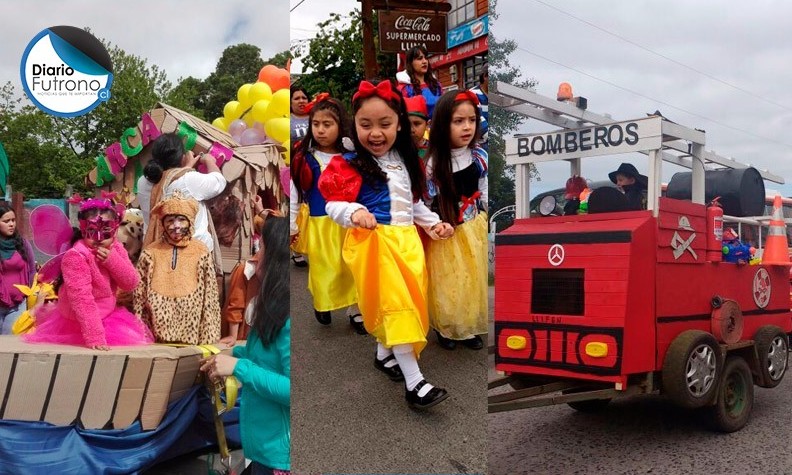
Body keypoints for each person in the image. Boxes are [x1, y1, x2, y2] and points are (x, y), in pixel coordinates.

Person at [318, 79, 455, 409]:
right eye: (366, 125)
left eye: (384, 124)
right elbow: (332, 204)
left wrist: (433, 223)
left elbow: (413, 203)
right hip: (376, 246)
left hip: (407, 245)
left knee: (407, 304)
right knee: (399, 309)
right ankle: (415, 383)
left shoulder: (406, 162)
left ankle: (383, 354)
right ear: (356, 126)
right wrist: (354, 211)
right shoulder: (350, 164)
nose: (375, 133)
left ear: (398, 125)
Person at [200, 215, 290, 475]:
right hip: (262, 449)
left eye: (262, 248)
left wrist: (239, 367)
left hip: (279, 458)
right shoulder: (271, 306)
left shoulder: (288, 318)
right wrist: (230, 353)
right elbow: (263, 357)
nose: (256, 255)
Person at [24, 199, 153, 349]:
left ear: (115, 230)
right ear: (84, 230)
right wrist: (95, 337)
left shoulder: (116, 249)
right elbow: (82, 300)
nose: (98, 239)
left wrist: (112, 261)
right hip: (79, 321)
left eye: (105, 233)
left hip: (108, 314)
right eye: (92, 232)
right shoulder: (76, 256)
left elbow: (131, 282)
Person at [290, 93, 362, 332]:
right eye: (316, 124)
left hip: (350, 224)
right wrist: (291, 225)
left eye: (327, 124)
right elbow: (296, 194)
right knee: (324, 270)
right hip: (320, 225)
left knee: (353, 268)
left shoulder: (352, 156)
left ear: (340, 125)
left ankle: (356, 311)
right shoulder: (305, 159)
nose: (320, 130)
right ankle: (323, 302)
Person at [425, 90, 488, 351]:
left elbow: (484, 188)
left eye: (471, 120)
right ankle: (447, 327)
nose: (467, 127)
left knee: (472, 280)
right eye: (458, 121)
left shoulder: (478, 156)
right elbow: (427, 202)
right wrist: (432, 226)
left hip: (474, 229)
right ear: (442, 124)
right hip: (447, 234)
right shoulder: (433, 164)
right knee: (449, 282)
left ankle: (469, 326)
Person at [134, 192, 221, 345]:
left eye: (181, 219)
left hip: (192, 339)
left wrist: (209, 338)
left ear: (190, 222)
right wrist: (143, 334)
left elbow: (210, 299)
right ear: (163, 223)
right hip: (156, 339)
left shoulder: (201, 251)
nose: (176, 226)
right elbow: (139, 297)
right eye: (170, 220)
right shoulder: (150, 252)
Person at [137, 133, 226, 272]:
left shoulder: (143, 182)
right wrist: (209, 161)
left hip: (158, 255)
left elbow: (169, 180)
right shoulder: (188, 180)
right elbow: (219, 182)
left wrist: (186, 168)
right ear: (181, 157)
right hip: (192, 257)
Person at [0, 203, 35, 334]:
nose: (11, 224)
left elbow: (32, 271)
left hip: (17, 304)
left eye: (13, 220)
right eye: (6, 221)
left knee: (11, 342)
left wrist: (30, 296)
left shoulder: (22, 244)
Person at [289, 84, 311, 269]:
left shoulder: (315, 117)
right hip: (294, 171)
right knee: (295, 209)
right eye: (297, 98)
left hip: (315, 168)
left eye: (304, 97)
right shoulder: (287, 120)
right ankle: (296, 249)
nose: (301, 101)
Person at [397, 46, 443, 119]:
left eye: (426, 58)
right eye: (419, 58)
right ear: (411, 63)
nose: (424, 61)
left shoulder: (436, 85)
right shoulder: (404, 88)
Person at [469, 63, 488, 150]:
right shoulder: (473, 94)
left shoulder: (496, 96)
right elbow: (478, 119)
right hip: (478, 145)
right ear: (485, 76)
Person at [405, 95, 430, 161]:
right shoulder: (397, 152)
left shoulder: (433, 150)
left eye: (417, 124)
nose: (411, 130)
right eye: (406, 124)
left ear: (427, 125)